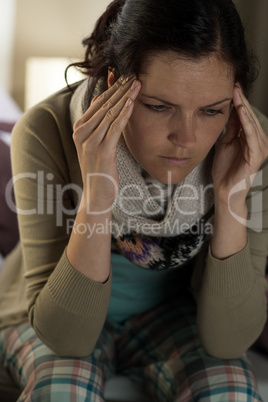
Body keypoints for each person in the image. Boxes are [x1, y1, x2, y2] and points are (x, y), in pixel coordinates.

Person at [0, 0, 268, 400]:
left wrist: (232, 198)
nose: (187, 138)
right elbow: (65, 339)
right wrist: (97, 193)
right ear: (114, 85)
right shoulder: (46, 130)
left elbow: (229, 343)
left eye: (212, 110)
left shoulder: (248, 143)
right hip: (54, 313)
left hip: (174, 316)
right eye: (160, 107)